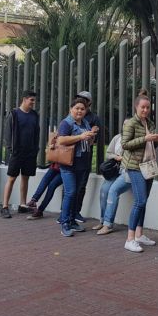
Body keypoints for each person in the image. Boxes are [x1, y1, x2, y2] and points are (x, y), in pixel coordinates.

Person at [121, 94, 158, 252]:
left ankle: (139, 235)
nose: (145, 110)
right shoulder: (131, 123)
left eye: (147, 107)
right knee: (140, 201)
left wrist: (154, 140)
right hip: (134, 166)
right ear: (136, 107)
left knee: (144, 201)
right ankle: (129, 239)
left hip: (148, 165)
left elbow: (150, 146)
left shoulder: (149, 123)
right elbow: (125, 144)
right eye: (142, 107)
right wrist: (145, 138)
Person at [57, 98, 96, 237]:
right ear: (71, 109)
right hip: (68, 164)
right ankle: (65, 223)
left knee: (77, 193)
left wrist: (91, 136)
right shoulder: (66, 123)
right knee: (70, 192)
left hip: (82, 164)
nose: (80, 111)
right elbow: (61, 140)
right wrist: (80, 136)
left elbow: (88, 142)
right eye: (77, 108)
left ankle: (72, 220)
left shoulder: (85, 123)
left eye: (82, 109)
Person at [2, 90, 40, 218]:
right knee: (12, 178)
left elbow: (37, 132)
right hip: (17, 152)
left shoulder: (34, 115)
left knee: (25, 177)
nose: (33, 103)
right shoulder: (14, 114)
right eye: (31, 100)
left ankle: (23, 205)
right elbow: (8, 133)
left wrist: (35, 149)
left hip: (30, 153)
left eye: (34, 100)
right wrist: (11, 149)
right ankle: (4, 207)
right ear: (24, 99)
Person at [72, 91, 102, 224]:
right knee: (69, 186)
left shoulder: (93, 119)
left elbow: (95, 140)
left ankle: (76, 211)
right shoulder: (71, 117)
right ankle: (66, 212)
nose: (80, 101)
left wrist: (92, 134)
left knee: (81, 185)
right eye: (78, 98)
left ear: (89, 103)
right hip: (70, 156)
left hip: (84, 156)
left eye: (83, 100)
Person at [91, 132, 123, 232]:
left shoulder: (136, 138)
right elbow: (108, 153)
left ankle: (108, 224)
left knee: (113, 191)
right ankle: (102, 221)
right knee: (104, 191)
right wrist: (115, 157)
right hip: (115, 170)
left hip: (127, 172)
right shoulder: (118, 137)